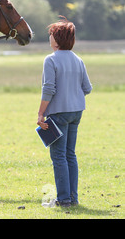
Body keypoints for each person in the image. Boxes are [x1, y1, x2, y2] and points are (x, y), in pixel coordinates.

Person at [37, 16, 92, 207]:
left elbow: (48, 89)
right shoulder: (78, 60)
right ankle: (72, 198)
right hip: (76, 112)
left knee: (59, 156)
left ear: (57, 38)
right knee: (70, 154)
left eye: (51, 34)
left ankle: (63, 199)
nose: (49, 38)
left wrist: (40, 114)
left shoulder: (50, 60)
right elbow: (87, 88)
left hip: (58, 114)